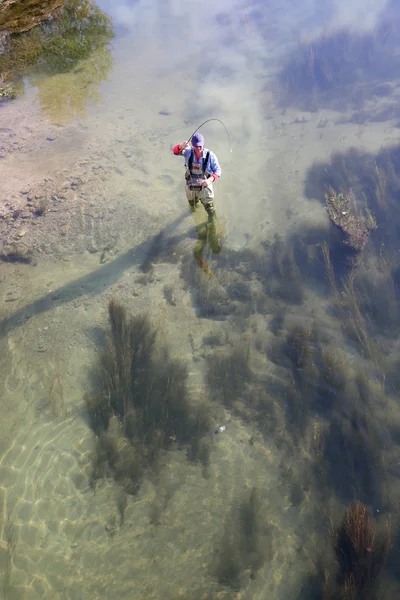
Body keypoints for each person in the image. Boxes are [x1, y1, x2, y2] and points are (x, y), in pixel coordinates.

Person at [172, 132, 221, 221]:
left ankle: (212, 223)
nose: (198, 148)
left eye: (200, 146)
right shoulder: (187, 152)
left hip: (205, 187)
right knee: (192, 205)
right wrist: (180, 146)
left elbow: (218, 171)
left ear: (203, 143)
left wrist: (210, 180)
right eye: (196, 146)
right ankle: (194, 214)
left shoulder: (210, 155)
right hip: (190, 185)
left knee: (210, 209)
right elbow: (175, 152)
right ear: (191, 144)